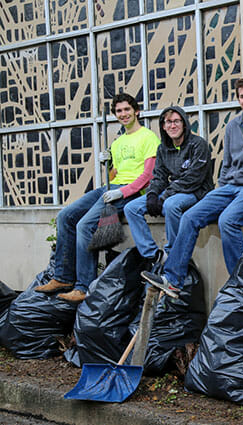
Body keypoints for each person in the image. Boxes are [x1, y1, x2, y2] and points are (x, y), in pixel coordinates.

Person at [141, 77, 243, 297]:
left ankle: (241, 286)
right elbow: (226, 163)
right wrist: (223, 188)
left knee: (228, 220)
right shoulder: (233, 126)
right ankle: (173, 279)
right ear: (239, 100)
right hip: (230, 186)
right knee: (190, 217)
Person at [35, 93, 160, 303]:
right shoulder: (119, 141)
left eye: (127, 109)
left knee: (85, 225)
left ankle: (83, 286)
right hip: (110, 188)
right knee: (66, 216)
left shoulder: (149, 137)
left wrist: (123, 192)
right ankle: (63, 277)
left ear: (136, 111)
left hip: (131, 192)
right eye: (119, 111)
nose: (123, 114)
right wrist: (109, 163)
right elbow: (113, 176)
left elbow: (149, 176)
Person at [123, 106, 213, 269]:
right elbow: (159, 177)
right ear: (163, 126)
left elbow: (193, 179)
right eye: (169, 122)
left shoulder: (198, 145)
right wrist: (152, 195)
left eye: (177, 121)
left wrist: (163, 198)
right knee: (131, 208)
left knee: (171, 205)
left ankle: (173, 254)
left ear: (184, 124)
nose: (173, 126)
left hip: (196, 191)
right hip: (173, 191)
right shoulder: (163, 148)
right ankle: (154, 255)